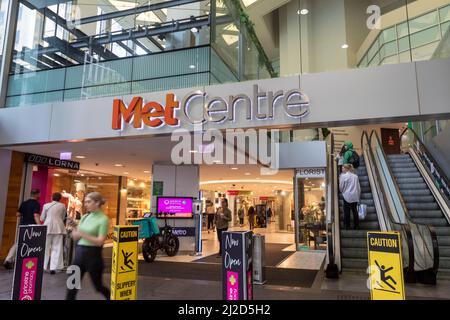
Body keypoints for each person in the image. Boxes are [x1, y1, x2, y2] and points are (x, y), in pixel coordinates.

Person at [66, 192, 110, 300]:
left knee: (98, 287)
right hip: (79, 254)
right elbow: (76, 237)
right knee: (72, 287)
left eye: (88, 202)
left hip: (93, 256)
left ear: (97, 203)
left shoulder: (103, 219)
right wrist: (74, 228)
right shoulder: (85, 217)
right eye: (85, 202)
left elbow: (100, 241)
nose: (85, 204)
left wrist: (82, 234)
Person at [3, 189, 41, 270]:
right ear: (37, 194)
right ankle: (26, 262)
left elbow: (18, 214)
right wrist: (39, 226)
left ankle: (8, 259)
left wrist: (24, 216)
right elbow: (36, 215)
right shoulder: (36, 204)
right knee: (31, 244)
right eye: (39, 194)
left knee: (18, 242)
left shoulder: (24, 203)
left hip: (22, 225)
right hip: (31, 226)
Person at [41, 192, 67, 274]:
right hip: (59, 227)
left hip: (47, 227)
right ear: (60, 198)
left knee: (45, 247)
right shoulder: (62, 206)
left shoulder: (46, 205)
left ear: (52, 197)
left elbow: (42, 218)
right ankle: (53, 268)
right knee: (57, 248)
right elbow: (63, 217)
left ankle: (43, 266)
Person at [339, 164, 361, 230]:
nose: (342, 169)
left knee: (347, 211)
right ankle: (356, 226)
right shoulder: (355, 176)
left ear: (346, 169)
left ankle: (347, 226)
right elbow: (358, 187)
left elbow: (341, 187)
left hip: (347, 195)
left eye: (343, 168)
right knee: (355, 211)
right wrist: (358, 195)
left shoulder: (343, 176)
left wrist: (342, 191)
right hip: (355, 196)